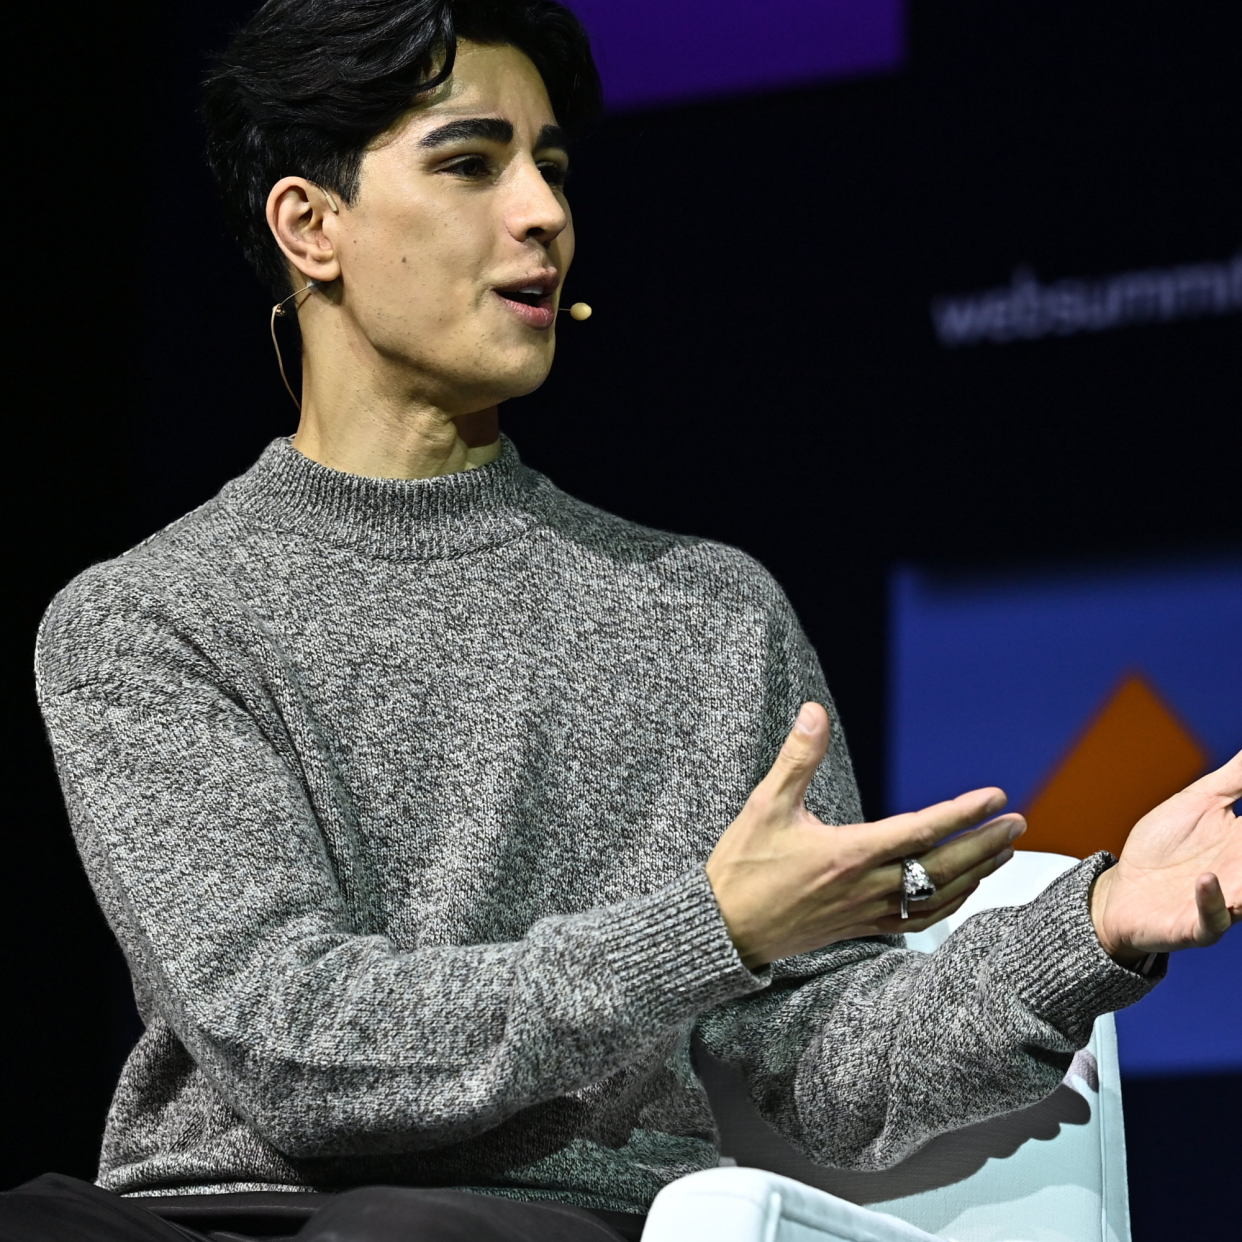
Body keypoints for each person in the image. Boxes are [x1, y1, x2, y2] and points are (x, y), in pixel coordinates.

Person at [8, 1, 1240, 1239]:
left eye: (549, 166)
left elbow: (828, 1070)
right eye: (471, 163)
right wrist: (707, 927)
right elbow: (295, 1049)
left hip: (531, 1223)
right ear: (310, 226)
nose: (542, 212)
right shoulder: (148, 620)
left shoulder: (705, 614)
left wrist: (1091, 926)